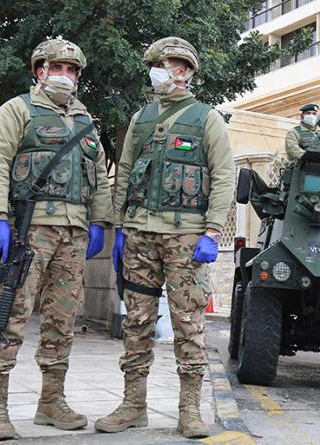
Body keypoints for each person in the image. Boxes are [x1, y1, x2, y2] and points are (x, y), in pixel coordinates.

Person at [96, 37, 235, 439]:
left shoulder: (207, 118)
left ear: (189, 72)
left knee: (188, 324)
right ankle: (132, 405)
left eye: (177, 65)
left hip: (186, 239)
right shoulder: (140, 119)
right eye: (162, 64)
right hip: (139, 236)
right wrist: (119, 226)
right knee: (136, 322)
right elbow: (124, 172)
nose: (168, 71)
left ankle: (189, 410)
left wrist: (211, 230)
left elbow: (224, 175)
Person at [0, 38, 112, 440]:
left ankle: (51, 402)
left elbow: (101, 178)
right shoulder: (17, 110)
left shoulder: (86, 123)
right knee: (11, 315)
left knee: (63, 321)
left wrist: (101, 223)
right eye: (58, 68)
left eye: (72, 71)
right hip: (28, 231)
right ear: (40, 70)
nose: (66, 76)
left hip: (73, 235)